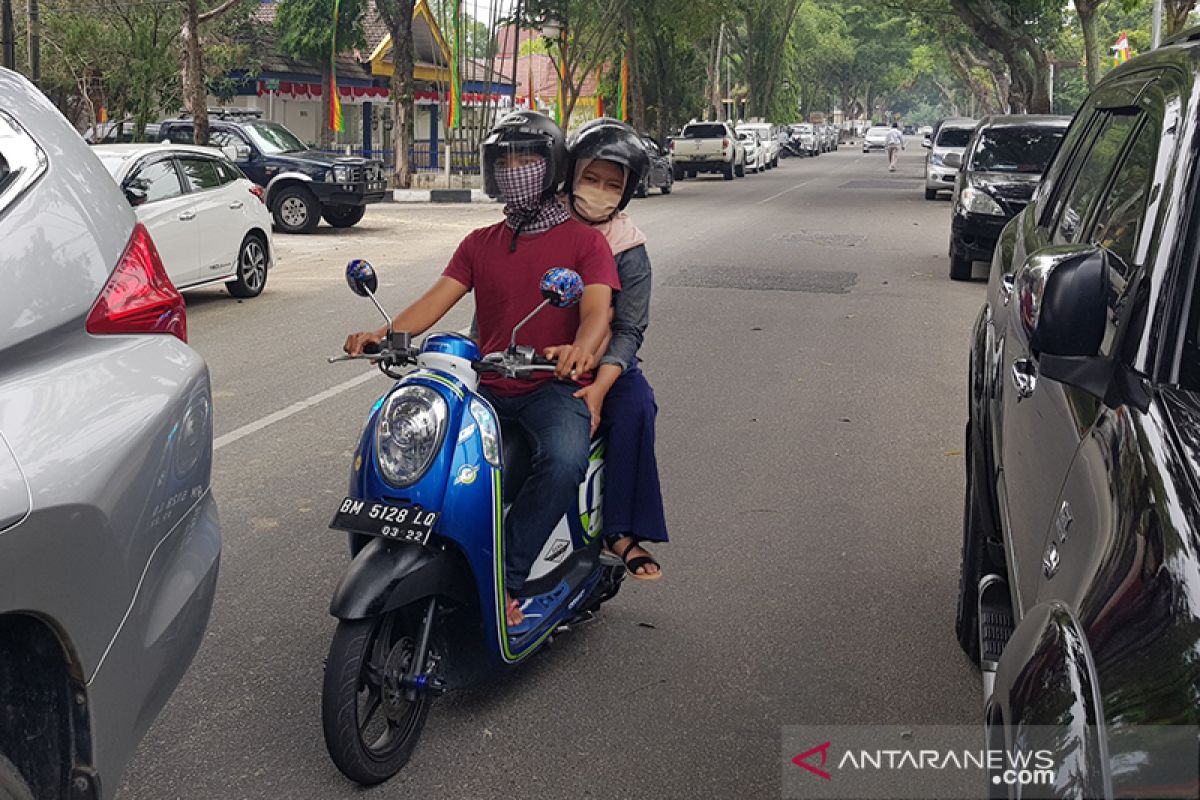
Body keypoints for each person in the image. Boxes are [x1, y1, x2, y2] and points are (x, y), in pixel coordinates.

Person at [344, 111, 620, 627]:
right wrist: (384, 335)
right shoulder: (480, 243)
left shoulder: (586, 243)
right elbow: (436, 300)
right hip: (483, 384)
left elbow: (597, 311)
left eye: (528, 158)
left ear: (552, 164)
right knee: (422, 454)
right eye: (505, 159)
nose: (515, 168)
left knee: (563, 459)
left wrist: (580, 350)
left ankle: (508, 579)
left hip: (550, 387)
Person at [551, 117, 668, 580]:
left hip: (601, 361)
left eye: (612, 185)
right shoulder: (541, 220)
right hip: (532, 355)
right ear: (571, 173)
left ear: (627, 192)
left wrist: (599, 387)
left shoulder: (629, 247)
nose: (599, 190)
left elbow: (629, 329)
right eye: (591, 178)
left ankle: (619, 530)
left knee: (637, 405)